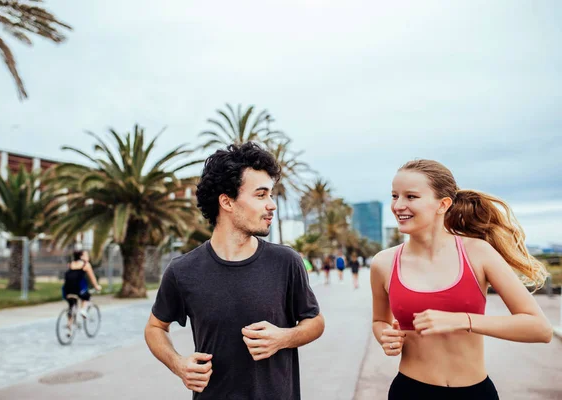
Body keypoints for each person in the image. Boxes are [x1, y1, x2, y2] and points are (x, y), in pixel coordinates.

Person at [144, 142, 325, 399]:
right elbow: (155, 328)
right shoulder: (182, 271)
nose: (271, 204)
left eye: (271, 195)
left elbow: (315, 322)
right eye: (261, 195)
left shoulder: (286, 261)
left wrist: (283, 337)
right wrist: (178, 364)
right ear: (227, 202)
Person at [370, 159, 552, 399]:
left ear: (443, 204)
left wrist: (463, 320)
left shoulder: (478, 253)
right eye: (395, 196)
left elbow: (540, 329)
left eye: (411, 197)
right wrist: (386, 336)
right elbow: (379, 320)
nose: (398, 205)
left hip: (475, 392)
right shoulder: (383, 263)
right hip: (410, 390)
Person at [62, 250, 101, 326]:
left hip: (67, 288)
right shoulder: (85, 265)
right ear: (81, 256)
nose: (88, 257)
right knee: (86, 296)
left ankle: (69, 325)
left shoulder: (71, 264)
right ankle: (83, 310)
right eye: (86, 255)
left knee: (71, 305)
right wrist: (97, 286)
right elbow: (92, 278)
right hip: (78, 288)